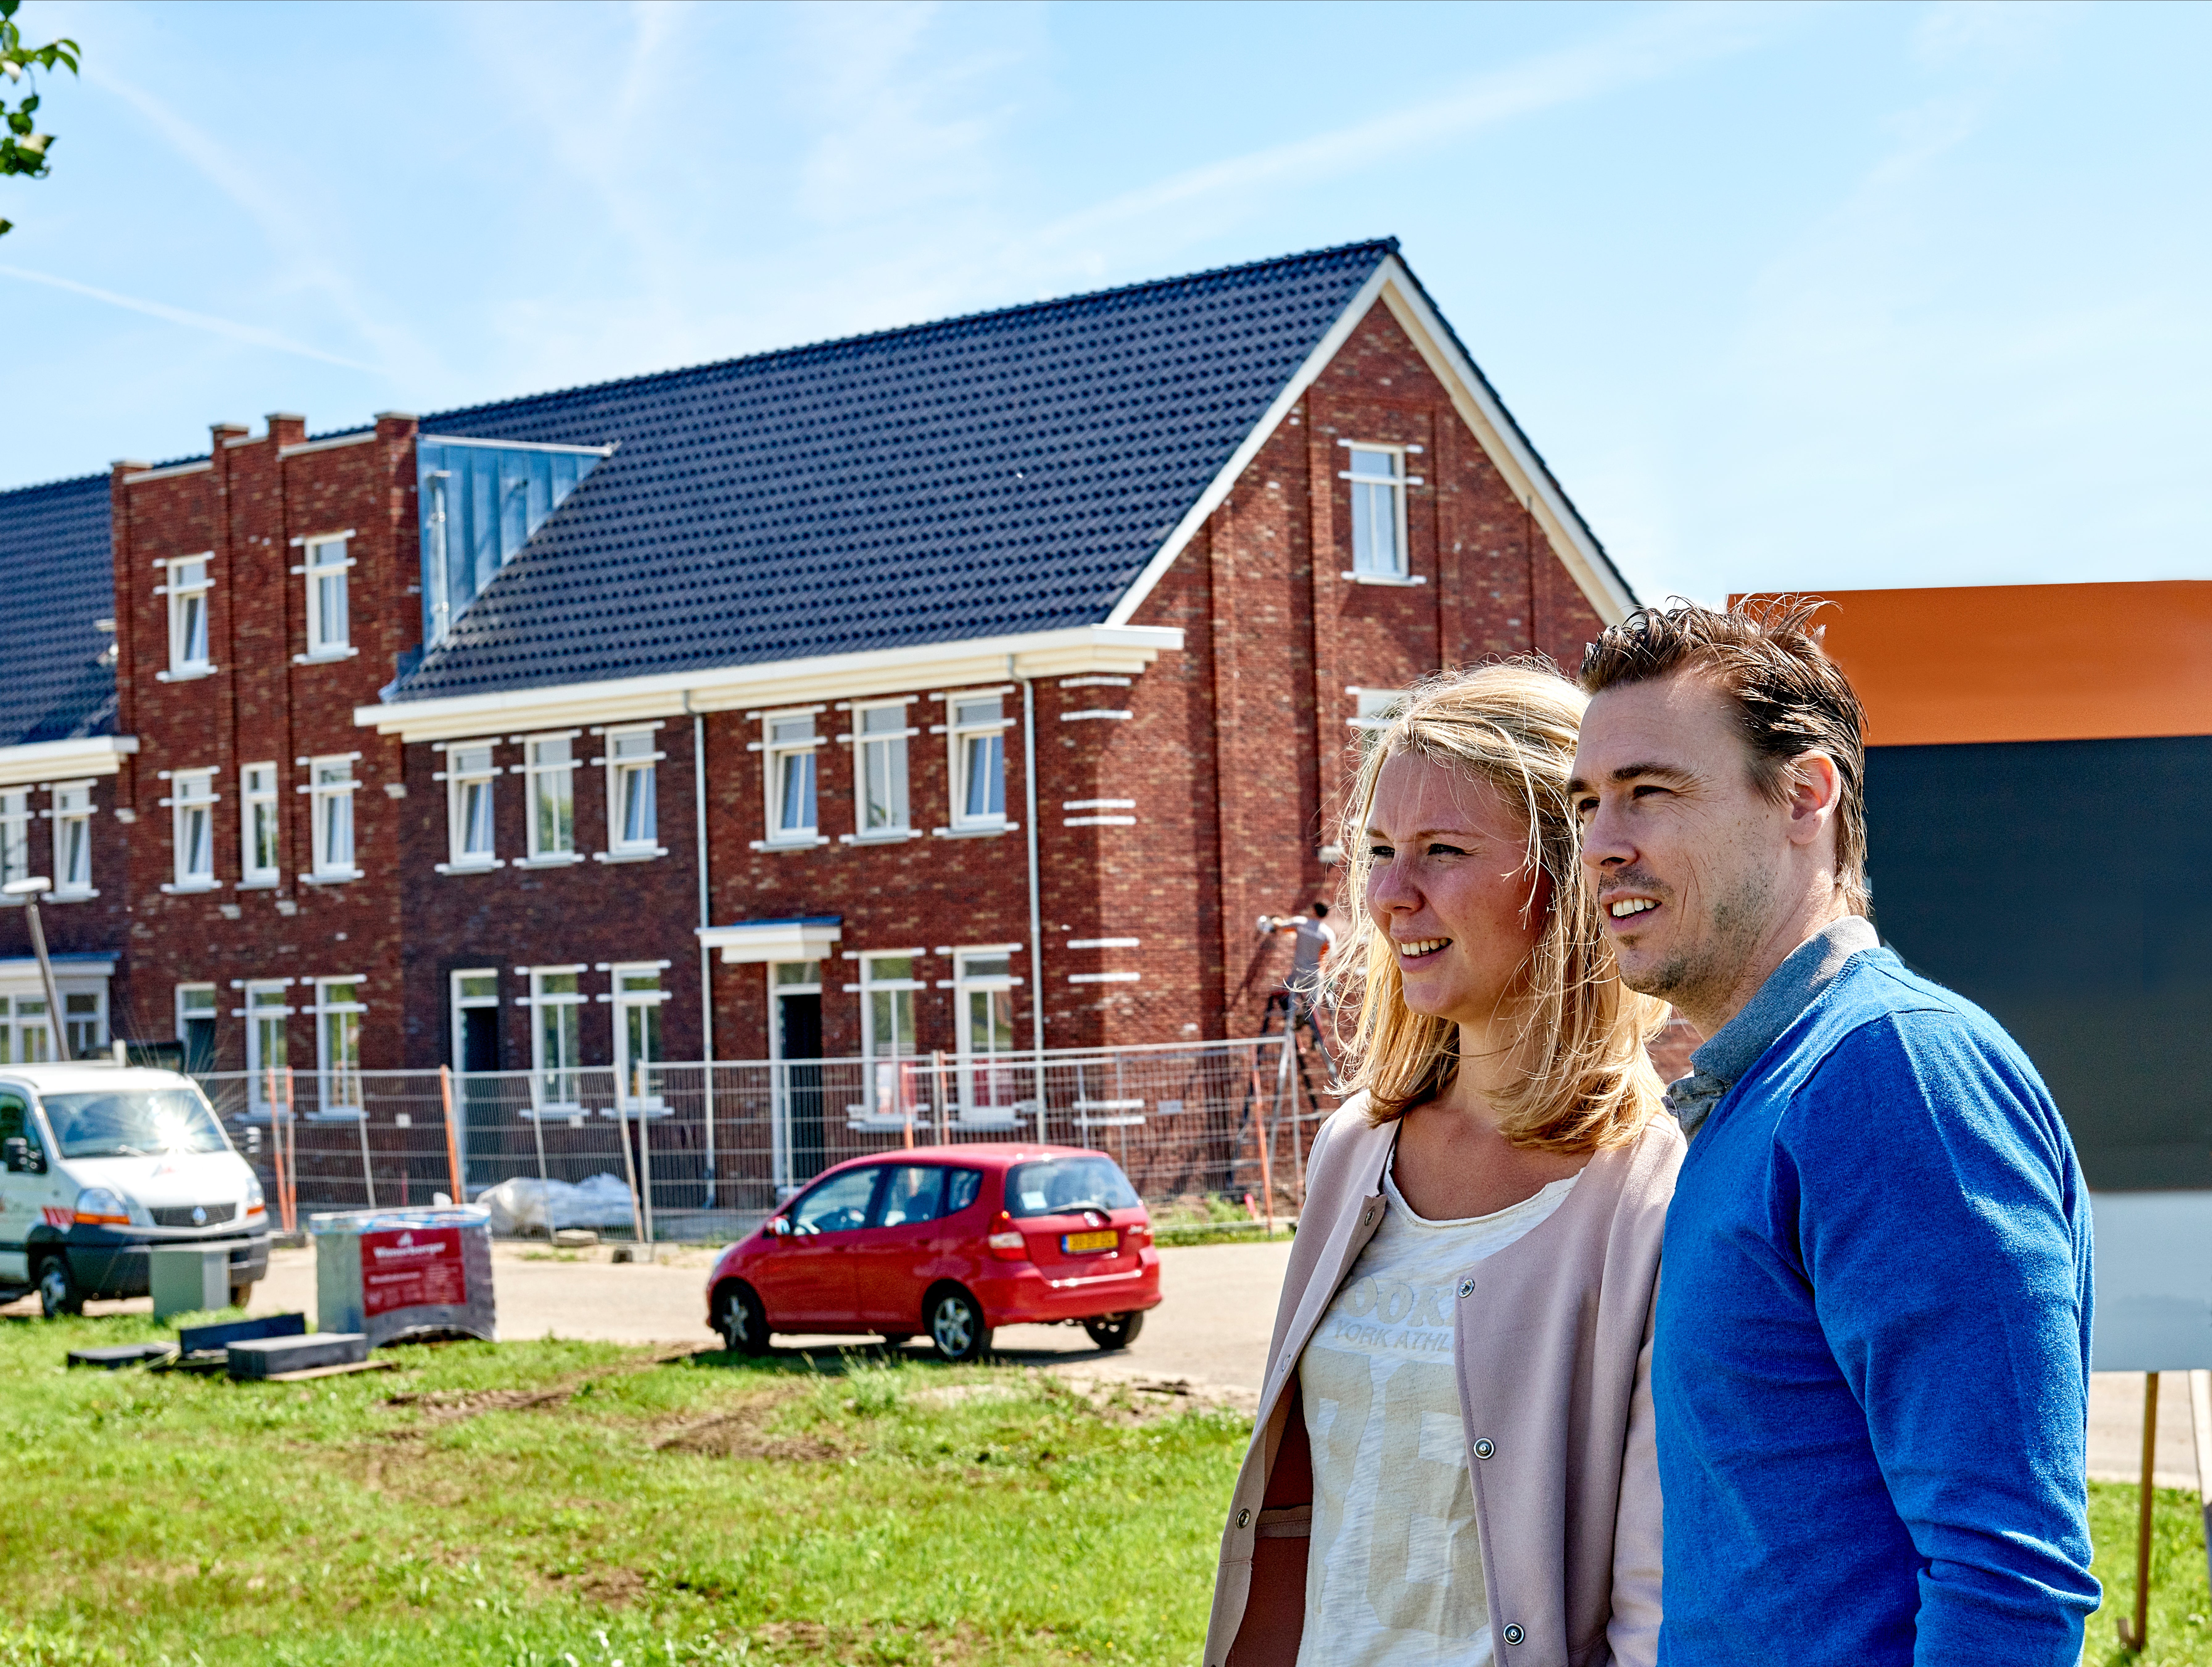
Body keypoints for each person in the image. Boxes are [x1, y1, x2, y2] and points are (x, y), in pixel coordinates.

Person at [1569, 600, 2098, 1666]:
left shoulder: (1888, 1074)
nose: (1600, 844)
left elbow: (2011, 1576)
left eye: (1649, 793)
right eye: (1587, 802)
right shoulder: (1771, 1085)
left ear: (1805, 795)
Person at [1206, 662, 1682, 1667]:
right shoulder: (1352, 1152)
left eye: (1441, 850)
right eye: (1377, 851)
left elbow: (1655, 1599)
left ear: (1568, 874)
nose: (1387, 894)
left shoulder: (1654, 1194)